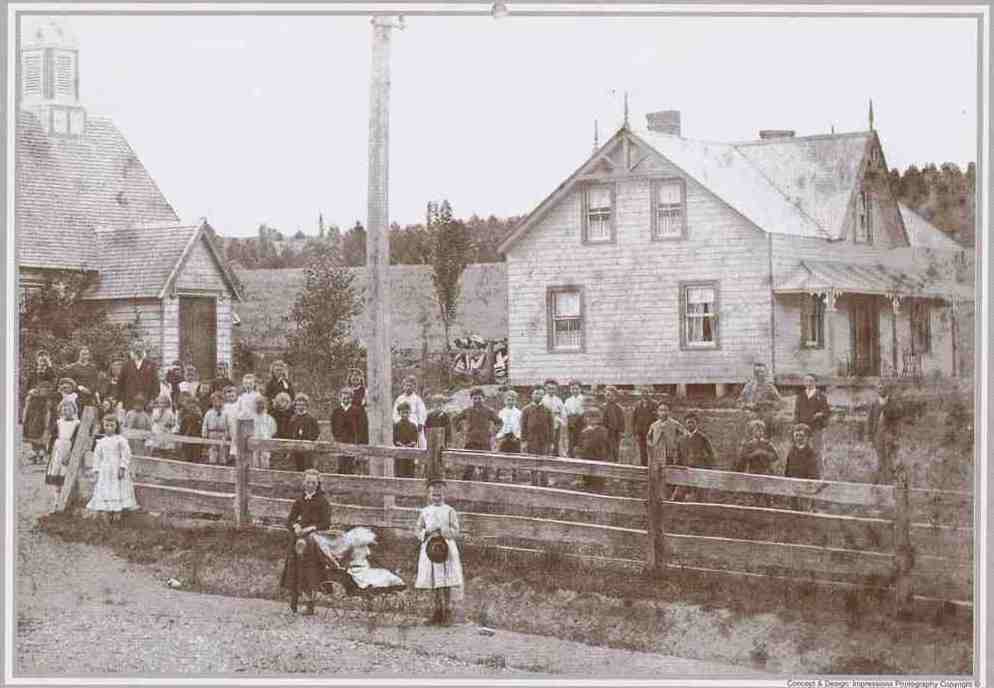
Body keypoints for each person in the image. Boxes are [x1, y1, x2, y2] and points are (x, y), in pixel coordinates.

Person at [280, 469, 331, 614]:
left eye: (313, 483)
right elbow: (289, 520)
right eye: (308, 482)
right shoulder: (300, 500)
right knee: (294, 570)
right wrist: (295, 526)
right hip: (297, 540)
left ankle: (310, 605)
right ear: (304, 483)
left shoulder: (322, 501)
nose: (310, 485)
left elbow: (326, 523)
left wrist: (310, 528)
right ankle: (293, 602)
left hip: (312, 541)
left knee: (309, 572)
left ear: (318, 484)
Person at [415, 478, 464, 625]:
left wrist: (444, 531)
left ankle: (447, 612)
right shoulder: (425, 512)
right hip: (430, 548)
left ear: (445, 495)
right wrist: (426, 532)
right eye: (434, 495)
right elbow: (417, 529)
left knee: (446, 580)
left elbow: (456, 531)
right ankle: (436, 612)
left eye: (440, 495)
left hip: (445, 548)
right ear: (429, 495)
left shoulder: (449, 511)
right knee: (434, 580)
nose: (437, 498)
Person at [86, 414, 139, 522]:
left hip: (116, 469)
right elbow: (97, 457)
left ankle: (117, 514)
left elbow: (126, 454)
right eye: (106, 425)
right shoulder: (101, 441)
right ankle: (106, 513)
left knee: (117, 488)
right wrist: (96, 470)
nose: (109, 428)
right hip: (105, 470)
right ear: (103, 426)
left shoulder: (120, 440)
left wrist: (122, 467)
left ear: (116, 426)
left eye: (111, 425)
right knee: (105, 489)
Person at [455, 388, 501, 481]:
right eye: (475, 398)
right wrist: (461, 430)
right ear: (471, 399)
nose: (477, 400)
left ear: (483, 398)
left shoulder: (489, 411)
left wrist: (493, 432)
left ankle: (485, 489)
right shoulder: (467, 410)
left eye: (479, 398)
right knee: (469, 466)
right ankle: (464, 489)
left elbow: (499, 422)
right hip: (471, 442)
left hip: (484, 442)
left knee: (485, 467)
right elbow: (456, 419)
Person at [45, 400, 80, 508]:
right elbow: (53, 437)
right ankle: (56, 500)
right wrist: (50, 450)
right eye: (64, 408)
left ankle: (68, 499)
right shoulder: (58, 422)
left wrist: (71, 453)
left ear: (74, 410)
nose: (66, 410)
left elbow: (77, 439)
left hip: (69, 448)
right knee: (57, 474)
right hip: (58, 448)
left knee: (67, 473)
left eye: (69, 408)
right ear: (60, 410)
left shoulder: (77, 423)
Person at [867, 383, 903, 485]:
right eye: (879, 388)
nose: (880, 390)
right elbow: (869, 421)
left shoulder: (893, 404)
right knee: (880, 459)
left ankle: (889, 483)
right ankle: (880, 483)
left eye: (882, 388)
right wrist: (870, 438)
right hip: (877, 435)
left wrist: (896, 438)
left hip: (889, 435)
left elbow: (897, 422)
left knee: (889, 459)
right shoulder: (874, 404)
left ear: (887, 389)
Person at [738, 362, 783, 440]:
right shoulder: (748, 386)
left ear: (765, 373)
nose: (760, 374)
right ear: (754, 374)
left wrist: (768, 403)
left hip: (765, 418)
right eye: (757, 372)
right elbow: (739, 402)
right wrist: (748, 405)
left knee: (764, 441)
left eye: (762, 372)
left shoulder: (770, 387)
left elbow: (779, 402)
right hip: (750, 418)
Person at [520, 386, 554, 486]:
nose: (538, 396)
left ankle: (544, 482)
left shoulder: (547, 409)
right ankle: (533, 481)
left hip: (545, 440)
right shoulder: (526, 410)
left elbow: (551, 426)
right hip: (531, 440)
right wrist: (524, 441)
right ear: (531, 395)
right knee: (532, 461)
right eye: (536, 393)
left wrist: (551, 442)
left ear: (543, 395)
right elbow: (523, 427)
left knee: (544, 460)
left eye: (540, 394)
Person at [794, 374, 831, 459]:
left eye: (811, 381)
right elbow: (796, 412)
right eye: (806, 381)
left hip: (816, 426)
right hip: (803, 426)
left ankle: (817, 467)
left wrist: (820, 414)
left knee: (816, 449)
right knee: (802, 447)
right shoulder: (800, 396)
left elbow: (827, 411)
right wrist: (796, 425)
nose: (809, 383)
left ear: (815, 382)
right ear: (804, 383)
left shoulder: (821, 396)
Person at [116, 342, 159, 414]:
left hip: (146, 402)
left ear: (144, 350)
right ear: (133, 350)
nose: (138, 350)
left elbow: (156, 385)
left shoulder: (151, 365)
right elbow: (120, 385)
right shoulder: (126, 365)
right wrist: (122, 400)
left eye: (140, 348)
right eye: (136, 348)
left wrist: (152, 399)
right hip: (130, 402)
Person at [785, 423, 819, 511]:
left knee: (805, 509)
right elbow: (787, 469)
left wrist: (810, 484)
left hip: (806, 485)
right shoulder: (792, 452)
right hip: (793, 484)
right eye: (796, 435)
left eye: (801, 436)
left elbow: (814, 472)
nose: (799, 438)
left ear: (807, 438)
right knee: (793, 507)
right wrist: (787, 481)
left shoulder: (810, 453)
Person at [577, 407, 612, 491]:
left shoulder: (603, 431)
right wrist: (580, 453)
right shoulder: (584, 432)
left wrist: (607, 456)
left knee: (599, 480)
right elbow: (580, 445)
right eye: (589, 417)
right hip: (587, 458)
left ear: (599, 419)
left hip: (599, 458)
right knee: (587, 479)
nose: (591, 420)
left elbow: (608, 446)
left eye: (594, 417)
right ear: (586, 419)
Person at [331, 387, 363, 475]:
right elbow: (333, 427)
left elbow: (360, 427)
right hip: (340, 440)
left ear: (351, 399)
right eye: (344, 398)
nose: (346, 400)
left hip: (352, 440)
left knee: (351, 463)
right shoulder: (336, 411)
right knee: (341, 463)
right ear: (340, 398)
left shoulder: (357, 411)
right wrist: (337, 437)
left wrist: (357, 440)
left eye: (348, 398)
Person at [22, 379, 55, 465]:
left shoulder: (47, 400)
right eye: (42, 389)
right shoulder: (32, 398)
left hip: (42, 422)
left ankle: (41, 456)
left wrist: (47, 424)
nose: (44, 391)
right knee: (33, 439)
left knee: (42, 439)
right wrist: (24, 419)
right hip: (32, 421)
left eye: (47, 389)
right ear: (38, 389)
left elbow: (48, 412)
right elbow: (26, 408)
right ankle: (34, 456)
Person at [288, 393, 320, 471]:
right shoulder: (293, 419)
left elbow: (317, 432)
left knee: (309, 468)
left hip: (308, 449)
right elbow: (289, 433)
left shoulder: (311, 418)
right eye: (298, 404)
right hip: (296, 448)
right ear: (295, 406)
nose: (300, 407)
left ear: (306, 405)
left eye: (303, 404)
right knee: (298, 468)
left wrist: (311, 442)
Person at [393, 375, 427, 449]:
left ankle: (419, 451)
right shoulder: (400, 399)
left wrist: (421, 423)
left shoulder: (417, 399)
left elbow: (422, 413)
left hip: (414, 421)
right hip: (401, 421)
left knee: (419, 436)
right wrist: (397, 421)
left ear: (414, 387)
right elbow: (395, 412)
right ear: (403, 386)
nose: (408, 387)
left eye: (410, 386)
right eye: (406, 385)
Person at [647, 403, 685, 468]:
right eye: (661, 410)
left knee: (670, 470)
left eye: (665, 410)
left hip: (670, 453)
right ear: (658, 412)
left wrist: (676, 442)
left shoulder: (674, 423)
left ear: (669, 412)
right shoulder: (654, 425)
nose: (663, 413)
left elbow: (684, 433)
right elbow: (648, 437)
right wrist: (652, 445)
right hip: (657, 453)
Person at [393, 401, 420, 477]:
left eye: (406, 412)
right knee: (399, 473)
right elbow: (395, 440)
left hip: (410, 453)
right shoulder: (396, 426)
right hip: (399, 454)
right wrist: (402, 446)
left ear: (409, 413)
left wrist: (408, 446)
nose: (405, 414)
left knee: (410, 473)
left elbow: (415, 440)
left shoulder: (413, 426)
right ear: (399, 413)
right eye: (402, 412)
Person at [541, 379, 567, 456]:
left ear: (556, 389)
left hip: (556, 425)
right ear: (545, 388)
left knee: (556, 443)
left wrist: (561, 421)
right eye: (549, 388)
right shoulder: (542, 400)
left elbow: (563, 413)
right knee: (546, 444)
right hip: (545, 425)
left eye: (553, 389)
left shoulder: (558, 400)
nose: (551, 391)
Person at [632, 390, 658, 467]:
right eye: (643, 392)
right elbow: (634, 419)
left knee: (652, 450)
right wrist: (635, 432)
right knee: (642, 450)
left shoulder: (655, 404)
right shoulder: (637, 404)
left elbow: (657, 418)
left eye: (647, 392)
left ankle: (652, 466)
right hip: (640, 432)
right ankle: (644, 466)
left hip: (651, 432)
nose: (645, 394)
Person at [202, 392, 229, 465]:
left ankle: (222, 467)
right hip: (212, 434)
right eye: (215, 401)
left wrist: (226, 435)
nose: (217, 403)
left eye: (219, 401)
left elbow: (227, 425)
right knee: (212, 451)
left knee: (222, 452)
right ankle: (212, 465)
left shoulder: (225, 413)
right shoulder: (209, 413)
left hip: (222, 434)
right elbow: (205, 425)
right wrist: (204, 435)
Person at [251, 395, 277, 469]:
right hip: (254, 444)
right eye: (258, 403)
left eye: (262, 403)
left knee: (265, 461)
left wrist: (266, 437)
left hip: (265, 443)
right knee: (254, 462)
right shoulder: (251, 418)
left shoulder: (269, 418)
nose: (260, 406)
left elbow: (273, 431)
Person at [602, 386, 626, 462]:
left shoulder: (618, 408)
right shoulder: (603, 407)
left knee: (615, 449)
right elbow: (601, 419)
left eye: (612, 395)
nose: (610, 397)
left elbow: (622, 421)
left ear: (615, 396)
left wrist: (621, 431)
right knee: (605, 449)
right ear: (605, 396)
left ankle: (615, 462)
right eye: (608, 395)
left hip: (615, 432)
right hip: (605, 431)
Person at [177, 393, 203, 462]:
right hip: (187, 440)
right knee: (186, 457)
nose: (192, 407)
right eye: (190, 405)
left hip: (196, 440)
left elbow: (201, 429)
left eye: (194, 405)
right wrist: (181, 439)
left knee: (196, 458)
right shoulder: (185, 418)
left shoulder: (199, 417)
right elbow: (182, 430)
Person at [347, 367, 369, 445]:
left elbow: (367, 406)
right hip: (349, 417)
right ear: (350, 378)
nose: (355, 377)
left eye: (357, 375)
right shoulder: (347, 390)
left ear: (361, 378)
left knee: (361, 440)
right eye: (353, 375)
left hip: (361, 418)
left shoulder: (365, 391)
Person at [564, 380, 586, 458]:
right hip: (571, 423)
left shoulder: (584, 399)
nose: (575, 391)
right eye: (572, 389)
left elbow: (584, 412)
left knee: (581, 440)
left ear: (580, 389)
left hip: (582, 423)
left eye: (576, 389)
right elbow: (566, 412)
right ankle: (571, 456)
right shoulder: (568, 400)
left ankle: (581, 457)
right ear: (570, 390)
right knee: (571, 441)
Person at [496, 390, 522, 454]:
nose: (510, 402)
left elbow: (521, 426)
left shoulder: (519, 413)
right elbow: (499, 426)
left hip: (515, 438)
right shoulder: (501, 412)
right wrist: (500, 436)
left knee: (515, 456)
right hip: (504, 438)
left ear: (516, 401)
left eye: (513, 400)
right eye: (508, 400)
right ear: (504, 401)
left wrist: (518, 437)